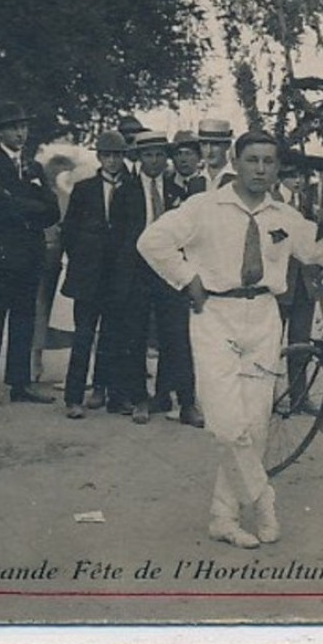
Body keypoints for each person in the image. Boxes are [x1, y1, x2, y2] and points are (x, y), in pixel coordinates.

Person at [138, 131, 323, 550]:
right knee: (227, 423)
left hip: (263, 317)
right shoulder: (205, 207)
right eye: (252, 160)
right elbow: (152, 241)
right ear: (236, 160)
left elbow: (321, 251)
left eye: (269, 162)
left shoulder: (283, 214)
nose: (261, 170)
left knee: (256, 423)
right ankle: (264, 500)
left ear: (278, 167)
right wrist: (186, 278)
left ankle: (223, 518)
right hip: (216, 316)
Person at [0, 104, 60, 410]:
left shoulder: (35, 167)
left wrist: (22, 203)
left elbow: (53, 211)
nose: (20, 133)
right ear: (0, 132)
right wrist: (30, 204)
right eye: (13, 127)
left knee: (24, 319)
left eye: (23, 127)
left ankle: (20, 383)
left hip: (30, 255)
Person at [113, 130, 197, 425]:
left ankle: (182, 400)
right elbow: (119, 238)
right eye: (148, 154)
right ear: (138, 158)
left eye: (161, 154)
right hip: (136, 274)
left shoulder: (179, 192)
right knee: (135, 336)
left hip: (169, 272)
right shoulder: (125, 191)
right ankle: (139, 399)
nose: (155, 160)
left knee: (176, 335)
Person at [59, 132, 130, 419]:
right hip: (88, 277)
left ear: (123, 157)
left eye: (117, 155)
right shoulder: (84, 188)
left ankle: (107, 393)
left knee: (112, 337)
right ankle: (73, 397)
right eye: (107, 155)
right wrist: (82, 260)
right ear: (99, 157)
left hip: (118, 277)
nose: (112, 160)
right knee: (83, 336)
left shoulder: (132, 188)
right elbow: (69, 231)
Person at [30, 152, 78, 383]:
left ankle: (36, 362)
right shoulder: (63, 197)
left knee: (46, 308)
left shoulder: (63, 196)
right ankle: (36, 361)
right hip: (52, 256)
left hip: (57, 256)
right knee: (46, 308)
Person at [195, 118, 237, 192]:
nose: (209, 151)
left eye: (215, 144)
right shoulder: (195, 182)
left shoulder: (238, 179)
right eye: (204, 144)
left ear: (227, 145)